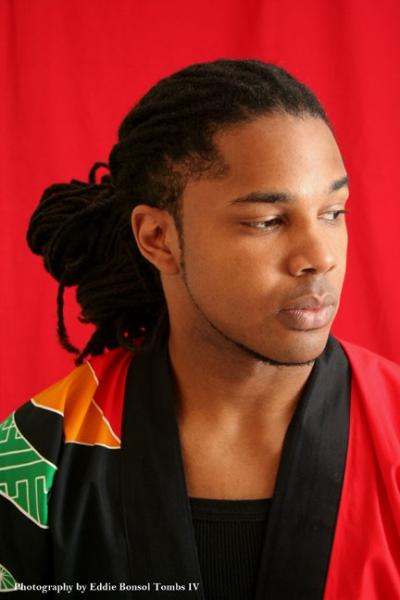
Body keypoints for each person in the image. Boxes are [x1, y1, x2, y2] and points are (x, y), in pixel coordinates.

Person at [0, 59, 399, 600]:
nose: (319, 257)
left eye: (333, 212)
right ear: (159, 238)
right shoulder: (37, 457)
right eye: (267, 221)